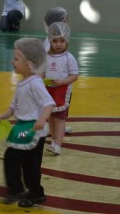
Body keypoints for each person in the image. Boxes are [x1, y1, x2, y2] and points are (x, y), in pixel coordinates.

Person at [0, 37, 55, 208]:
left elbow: (48, 103)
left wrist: (42, 119)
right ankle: (34, 192)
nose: (12, 61)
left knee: (14, 156)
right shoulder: (22, 83)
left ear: (29, 63)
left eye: (16, 58)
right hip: (23, 126)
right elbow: (14, 106)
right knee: (29, 163)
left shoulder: (35, 83)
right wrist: (5, 115)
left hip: (32, 128)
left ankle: (18, 190)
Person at [44, 22, 78, 155]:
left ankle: (57, 144)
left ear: (67, 40)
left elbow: (74, 75)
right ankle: (54, 140)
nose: (58, 44)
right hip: (48, 91)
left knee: (59, 118)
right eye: (55, 41)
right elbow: (42, 72)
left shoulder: (69, 58)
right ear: (50, 41)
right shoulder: (46, 57)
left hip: (62, 92)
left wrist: (62, 82)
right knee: (50, 117)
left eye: (62, 41)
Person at [43, 7, 73, 134]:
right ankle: (50, 126)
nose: (68, 24)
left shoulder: (58, 42)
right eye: (65, 21)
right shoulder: (49, 44)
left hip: (61, 82)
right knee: (52, 105)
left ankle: (59, 125)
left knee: (61, 105)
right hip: (54, 83)